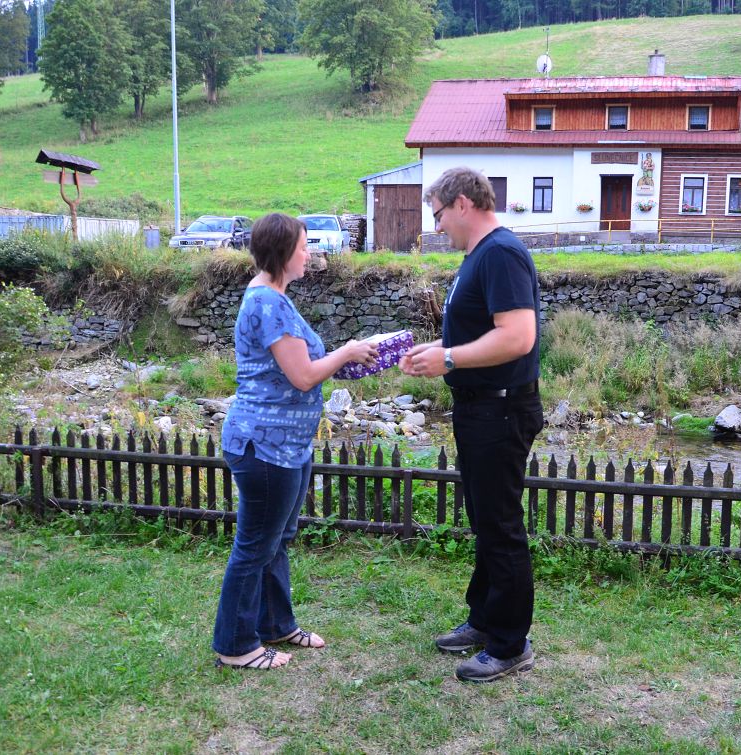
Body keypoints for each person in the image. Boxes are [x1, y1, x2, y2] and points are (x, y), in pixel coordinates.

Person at [213, 213, 378, 671]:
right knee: (255, 546)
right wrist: (345, 352)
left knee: (276, 540)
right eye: (304, 246)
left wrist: (348, 358)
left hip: (286, 445)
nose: (309, 254)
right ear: (283, 252)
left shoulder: (275, 298)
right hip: (264, 445)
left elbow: (303, 365)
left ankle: (276, 624)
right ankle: (235, 646)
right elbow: (303, 376)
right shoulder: (268, 302)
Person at [399, 167, 543, 682]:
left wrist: (450, 359)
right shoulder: (479, 256)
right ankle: (484, 620)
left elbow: (518, 336)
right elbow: (484, 331)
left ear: (462, 203)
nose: (437, 226)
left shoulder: (500, 253)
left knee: (500, 526)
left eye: (438, 214)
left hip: (500, 409)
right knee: (485, 520)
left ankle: (510, 644)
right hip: (482, 407)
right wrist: (439, 351)